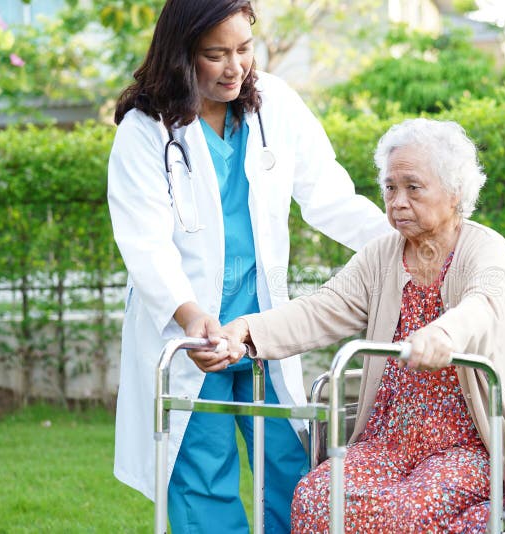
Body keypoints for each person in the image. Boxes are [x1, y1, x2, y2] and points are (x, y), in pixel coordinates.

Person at [106, 1, 390, 532]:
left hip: (263, 330)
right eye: (215, 55)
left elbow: (328, 195)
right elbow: (144, 242)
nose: (235, 66)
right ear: (180, 55)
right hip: (195, 337)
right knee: (203, 481)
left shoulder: (274, 104)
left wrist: (403, 243)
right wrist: (191, 318)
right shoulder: (146, 130)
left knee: (292, 471)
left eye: (244, 48)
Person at [218, 118, 505, 532]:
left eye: (413, 187)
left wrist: (442, 334)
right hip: (388, 439)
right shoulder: (380, 255)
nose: (397, 201)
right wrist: (248, 329)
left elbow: (484, 304)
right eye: (389, 187)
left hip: (469, 443)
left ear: (455, 191)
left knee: (407, 512)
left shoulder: (486, 247)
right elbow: (323, 308)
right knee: (315, 497)